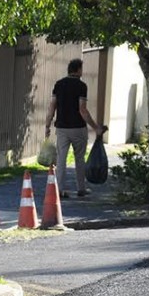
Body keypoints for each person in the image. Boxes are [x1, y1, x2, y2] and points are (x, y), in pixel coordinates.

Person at [44, 58, 106, 198]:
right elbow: (82, 110)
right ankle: (81, 188)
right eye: (81, 69)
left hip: (61, 128)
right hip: (78, 128)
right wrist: (95, 127)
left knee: (61, 159)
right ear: (78, 70)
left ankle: (59, 190)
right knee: (79, 158)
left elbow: (52, 106)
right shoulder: (81, 86)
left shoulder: (58, 84)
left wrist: (47, 125)